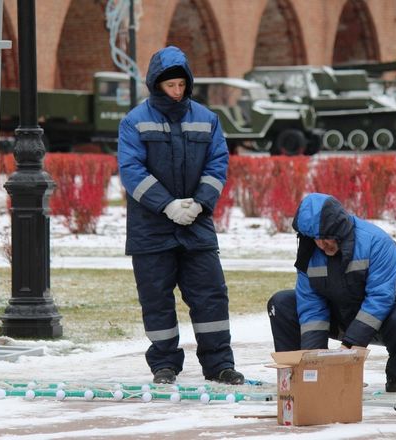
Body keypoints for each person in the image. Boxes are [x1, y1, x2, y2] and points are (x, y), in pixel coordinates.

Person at [117, 46, 244, 385]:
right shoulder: (134, 121)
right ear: (156, 85)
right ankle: (164, 364)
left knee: (211, 296)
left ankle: (219, 364)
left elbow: (218, 164)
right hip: (151, 227)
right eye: (169, 85)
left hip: (196, 224)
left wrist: (200, 203)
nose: (176, 92)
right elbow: (131, 171)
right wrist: (168, 205)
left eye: (180, 85)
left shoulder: (207, 119)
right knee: (156, 300)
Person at [267, 193, 396, 400]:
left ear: (339, 229)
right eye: (316, 239)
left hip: (385, 320)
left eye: (326, 237)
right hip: (341, 316)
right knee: (281, 303)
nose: (322, 245)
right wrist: (315, 360)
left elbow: (380, 298)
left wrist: (349, 348)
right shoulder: (310, 253)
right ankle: (296, 377)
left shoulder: (377, 243)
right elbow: (311, 306)